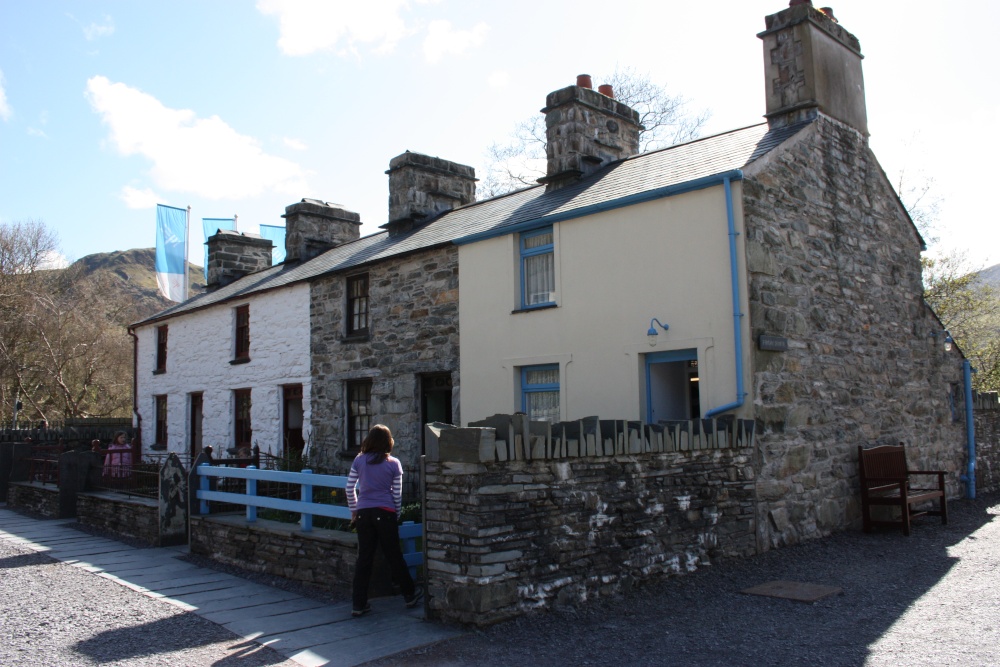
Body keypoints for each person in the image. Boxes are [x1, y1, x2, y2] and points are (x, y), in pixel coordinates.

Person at [345, 424, 422, 617]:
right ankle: (409, 594)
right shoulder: (393, 464)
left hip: (364, 513)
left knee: (364, 559)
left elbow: (349, 488)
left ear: (369, 440)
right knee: (394, 555)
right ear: (388, 442)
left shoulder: (359, 460)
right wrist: (396, 514)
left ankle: (358, 604)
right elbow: (397, 494)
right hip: (385, 512)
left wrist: (354, 510)